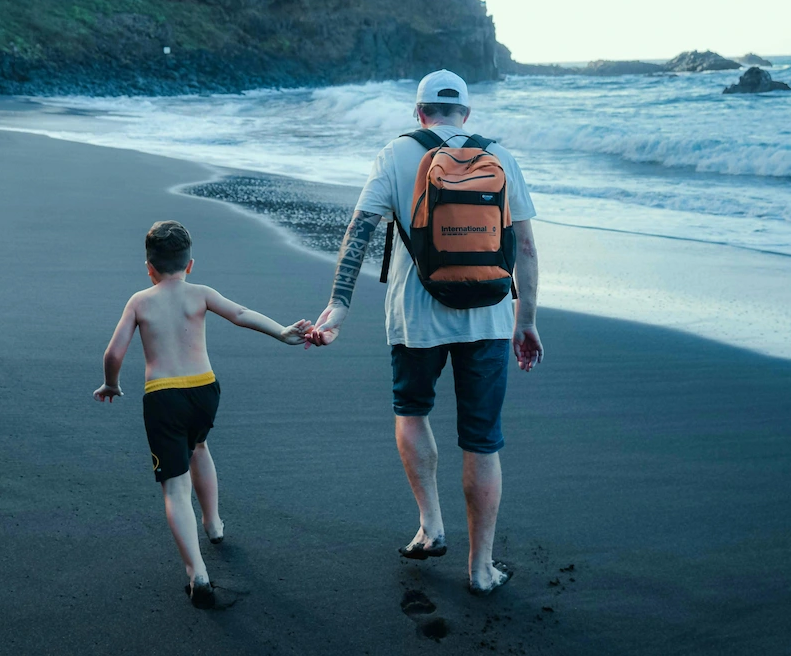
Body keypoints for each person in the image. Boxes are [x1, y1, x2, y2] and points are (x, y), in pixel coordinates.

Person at [304, 70, 543, 595]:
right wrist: (524, 321)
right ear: (467, 114)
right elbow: (524, 248)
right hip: (489, 316)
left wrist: (338, 307)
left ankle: (431, 525)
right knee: (482, 441)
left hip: (416, 317)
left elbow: (359, 232)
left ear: (419, 113)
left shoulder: (395, 154)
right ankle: (481, 569)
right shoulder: (500, 155)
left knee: (412, 412)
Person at [94, 220, 310, 608]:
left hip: (164, 396)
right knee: (199, 447)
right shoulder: (202, 293)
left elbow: (113, 353)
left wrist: (111, 383)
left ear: (148, 267)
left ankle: (197, 573)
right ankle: (213, 524)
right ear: (190, 264)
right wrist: (282, 332)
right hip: (205, 389)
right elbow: (242, 313)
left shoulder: (140, 301)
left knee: (175, 487)